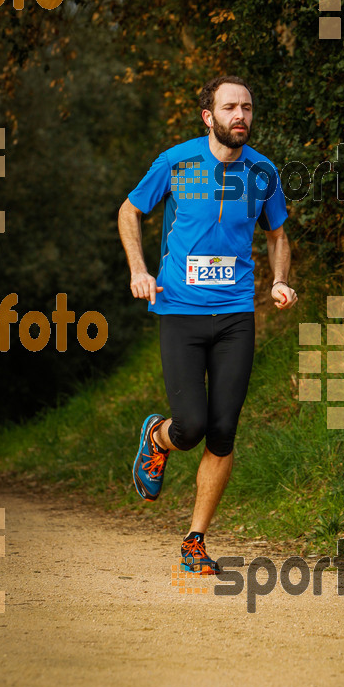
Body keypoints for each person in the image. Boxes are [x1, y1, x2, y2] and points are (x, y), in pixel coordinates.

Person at [118, 75, 297, 575]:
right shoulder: (176, 162)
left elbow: (278, 233)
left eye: (247, 107)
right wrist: (138, 270)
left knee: (223, 432)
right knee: (191, 426)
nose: (240, 115)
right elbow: (129, 211)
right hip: (179, 310)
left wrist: (280, 279)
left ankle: (194, 539)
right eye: (230, 107)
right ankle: (158, 438)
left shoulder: (263, 173)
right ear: (208, 116)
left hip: (237, 314)